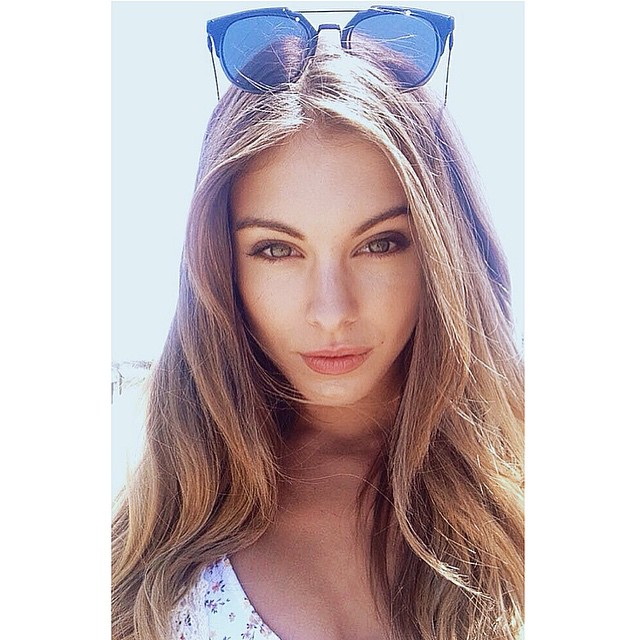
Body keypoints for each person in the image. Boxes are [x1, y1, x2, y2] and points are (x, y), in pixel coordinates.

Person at [112, 6, 524, 640]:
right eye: (278, 250)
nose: (331, 311)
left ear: (443, 253)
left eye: (380, 244)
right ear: (221, 264)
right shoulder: (155, 537)